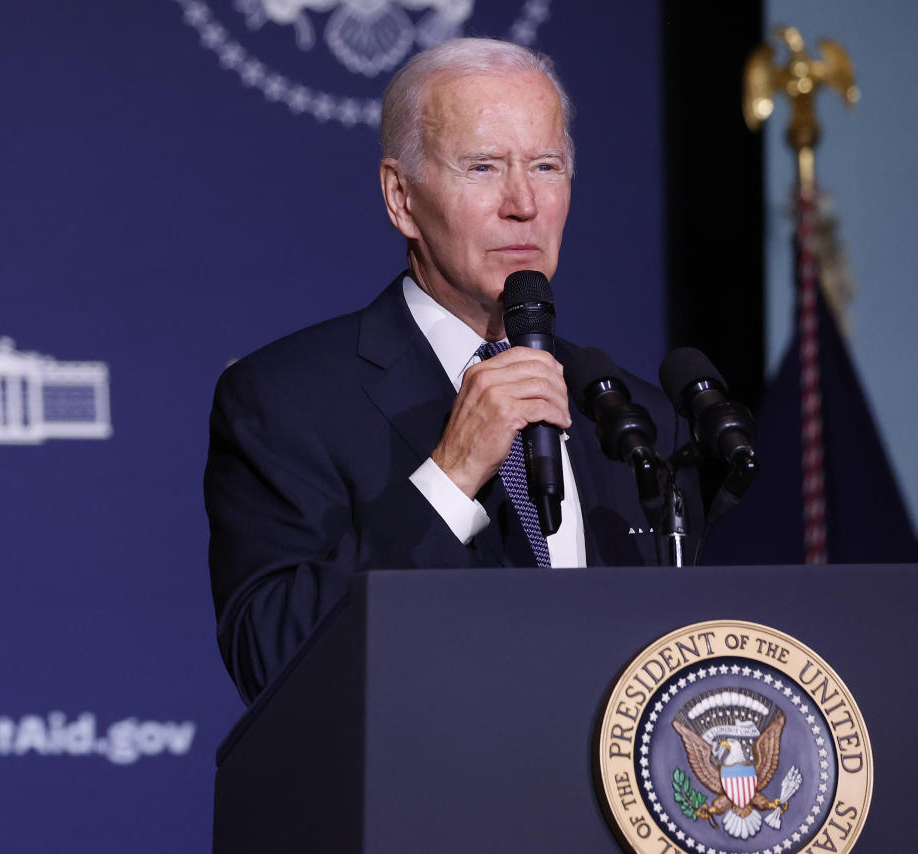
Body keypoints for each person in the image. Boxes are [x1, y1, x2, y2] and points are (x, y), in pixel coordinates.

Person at [205, 38, 694, 703]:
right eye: (484, 167)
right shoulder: (286, 399)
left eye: (546, 166)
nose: (523, 202)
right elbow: (271, 657)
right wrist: (450, 478)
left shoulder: (637, 418)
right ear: (401, 197)